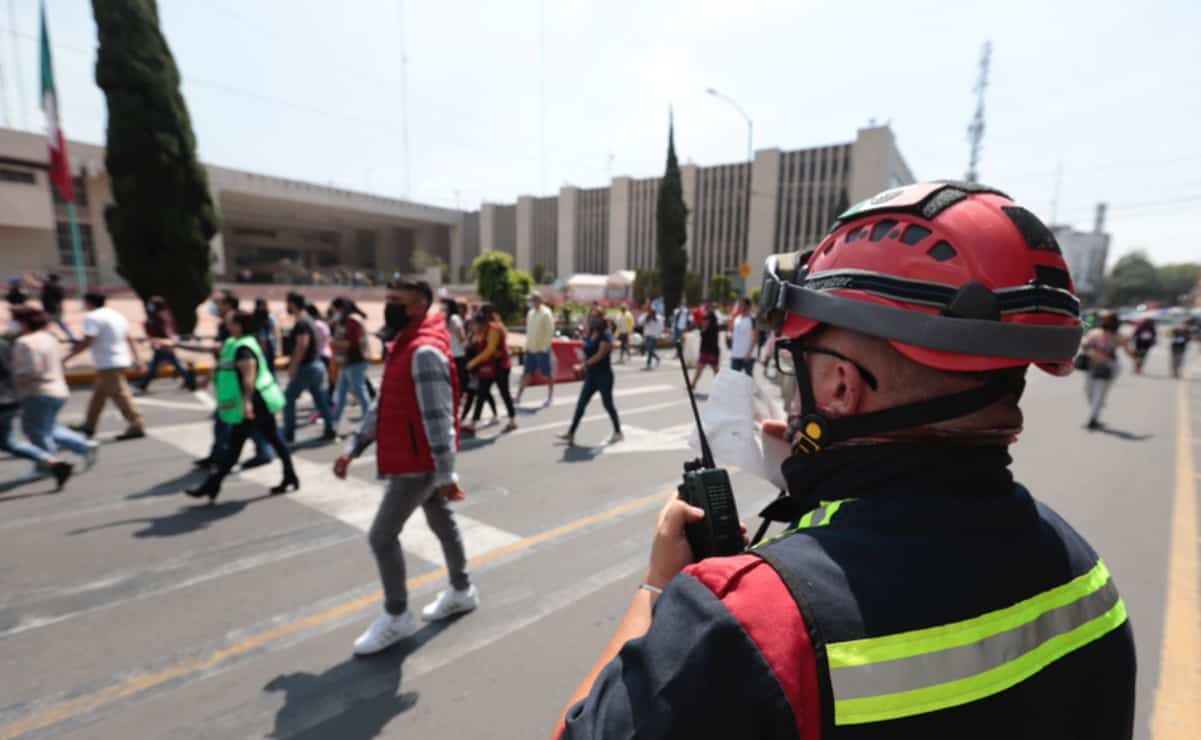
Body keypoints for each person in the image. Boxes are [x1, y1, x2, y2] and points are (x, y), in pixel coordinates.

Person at [557, 181, 1135, 738]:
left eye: (797, 364)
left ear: (839, 386)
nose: (791, 390)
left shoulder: (748, 620)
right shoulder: (1088, 579)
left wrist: (658, 587)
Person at [333, 278, 478, 655]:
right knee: (440, 520)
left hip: (419, 463)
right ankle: (462, 590)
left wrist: (446, 473)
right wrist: (355, 447)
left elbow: (439, 416)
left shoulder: (424, 351)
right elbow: (384, 404)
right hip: (413, 457)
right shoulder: (405, 345)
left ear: (417, 306)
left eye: (395, 300)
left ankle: (397, 615)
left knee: (381, 536)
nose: (388, 305)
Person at [186, 311, 297, 502]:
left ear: (238, 325)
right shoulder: (236, 344)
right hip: (257, 401)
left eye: (229, 322)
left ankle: (212, 485)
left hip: (255, 402)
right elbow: (224, 363)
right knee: (274, 439)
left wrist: (247, 404)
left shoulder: (244, 348)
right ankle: (290, 476)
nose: (226, 324)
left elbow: (249, 378)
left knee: (235, 447)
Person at [194, 292, 275, 470]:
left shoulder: (238, 325)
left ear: (229, 305)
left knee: (228, 420)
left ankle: (222, 457)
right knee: (242, 423)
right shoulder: (230, 325)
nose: (215, 306)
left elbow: (239, 359)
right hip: (230, 381)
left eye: (218, 303)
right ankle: (226, 454)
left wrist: (247, 399)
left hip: (237, 383)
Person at [64, 292, 145, 441]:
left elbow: (88, 340)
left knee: (120, 394)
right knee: (98, 396)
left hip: (108, 361)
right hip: (119, 359)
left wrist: (68, 357)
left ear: (89, 302)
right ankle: (89, 425)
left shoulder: (92, 317)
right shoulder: (117, 315)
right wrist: (137, 359)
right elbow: (129, 338)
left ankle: (136, 424)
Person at [0, 328, 73, 488]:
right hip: (11, 398)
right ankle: (53, 463)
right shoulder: (5, 344)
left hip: (5, 400)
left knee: (10, 440)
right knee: (7, 442)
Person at [557, 309, 622, 447]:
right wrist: (582, 357)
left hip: (604, 375)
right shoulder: (591, 333)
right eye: (590, 317)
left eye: (595, 317)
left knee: (608, 404)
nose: (592, 319)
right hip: (591, 376)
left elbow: (600, 354)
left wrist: (583, 365)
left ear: (601, 318)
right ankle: (571, 433)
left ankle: (618, 432)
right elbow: (586, 349)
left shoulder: (606, 335)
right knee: (581, 404)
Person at [281, 292, 336, 444]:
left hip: (307, 367)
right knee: (320, 399)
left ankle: (289, 432)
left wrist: (293, 366)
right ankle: (331, 429)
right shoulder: (309, 320)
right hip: (315, 365)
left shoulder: (302, 323)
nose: (286, 307)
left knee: (289, 398)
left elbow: (302, 345)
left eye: (287, 303)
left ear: (292, 303)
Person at [464, 305, 517, 434]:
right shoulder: (481, 332)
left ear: (482, 322)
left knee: (504, 393)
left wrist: (473, 362)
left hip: (500, 367)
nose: (473, 327)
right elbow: (473, 346)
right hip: (487, 367)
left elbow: (490, 350)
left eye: (475, 324)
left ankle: (512, 420)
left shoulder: (494, 329)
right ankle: (473, 423)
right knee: (481, 393)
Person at [1081, 311, 1134, 430]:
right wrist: (1087, 346)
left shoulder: (1119, 336)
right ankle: (1097, 407)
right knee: (1088, 391)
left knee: (1099, 393)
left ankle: (1093, 418)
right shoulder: (1095, 333)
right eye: (1105, 319)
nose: (1106, 322)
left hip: (1109, 367)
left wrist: (1131, 348)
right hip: (1092, 365)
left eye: (1109, 320)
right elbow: (1084, 345)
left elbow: (1129, 351)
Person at [329, 297, 372, 432]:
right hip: (347, 362)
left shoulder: (352, 321)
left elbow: (352, 342)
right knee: (341, 392)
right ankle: (334, 421)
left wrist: (335, 344)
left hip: (355, 360)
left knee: (360, 391)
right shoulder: (345, 320)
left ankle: (369, 420)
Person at [137, 296, 197, 392]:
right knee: (166, 364)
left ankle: (143, 384)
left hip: (164, 345)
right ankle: (190, 380)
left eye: (152, 304)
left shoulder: (162, 316)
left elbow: (168, 331)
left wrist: (168, 342)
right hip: (162, 344)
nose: (150, 306)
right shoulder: (161, 314)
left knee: (159, 366)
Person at [515, 292, 555, 405]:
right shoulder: (530, 313)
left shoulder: (546, 313)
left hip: (542, 349)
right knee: (526, 372)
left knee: (547, 373)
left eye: (532, 300)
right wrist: (527, 345)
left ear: (538, 300)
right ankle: (518, 397)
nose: (530, 303)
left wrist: (544, 347)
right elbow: (529, 331)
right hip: (531, 348)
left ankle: (550, 397)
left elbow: (549, 331)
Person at [460, 315, 498, 424]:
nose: (471, 326)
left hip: (480, 370)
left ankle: (465, 419)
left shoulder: (483, 336)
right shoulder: (471, 336)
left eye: (473, 324)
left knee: (479, 394)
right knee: (481, 394)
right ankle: (464, 418)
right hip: (472, 370)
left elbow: (484, 353)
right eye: (469, 325)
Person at [690, 303, 721, 388]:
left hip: (711, 351)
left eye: (705, 321)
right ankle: (693, 384)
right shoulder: (706, 325)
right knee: (699, 368)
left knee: (715, 371)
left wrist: (712, 354)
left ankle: (721, 387)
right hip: (705, 351)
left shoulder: (713, 327)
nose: (704, 322)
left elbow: (714, 341)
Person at [39, 273, 74, 341]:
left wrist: (32, 277)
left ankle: (45, 338)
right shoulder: (58, 286)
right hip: (56, 308)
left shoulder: (51, 285)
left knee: (44, 324)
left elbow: (41, 282)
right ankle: (71, 336)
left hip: (51, 308)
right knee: (59, 323)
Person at [728, 297, 758, 376]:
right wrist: (733, 316)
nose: (740, 307)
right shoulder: (736, 319)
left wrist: (749, 353)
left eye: (742, 305)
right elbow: (730, 330)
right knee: (734, 379)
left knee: (748, 380)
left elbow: (755, 338)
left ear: (748, 306)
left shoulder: (752, 320)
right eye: (739, 305)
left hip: (748, 356)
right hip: (736, 354)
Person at [252, 298, 281, 377]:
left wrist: (278, 349)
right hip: (257, 344)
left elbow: (276, 333)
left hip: (268, 344)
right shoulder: (254, 318)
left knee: (270, 369)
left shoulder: (270, 317)